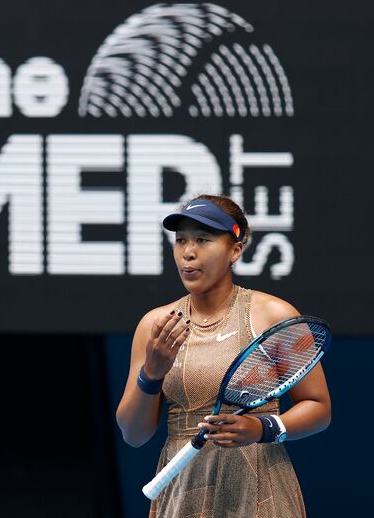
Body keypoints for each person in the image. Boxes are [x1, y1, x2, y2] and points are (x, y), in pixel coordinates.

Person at [116, 194, 331, 517]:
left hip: (260, 489)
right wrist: (151, 374)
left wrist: (263, 428)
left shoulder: (273, 314)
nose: (188, 252)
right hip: (183, 491)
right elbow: (133, 434)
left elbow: (319, 409)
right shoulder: (154, 326)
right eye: (181, 240)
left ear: (235, 249)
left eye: (203, 239)